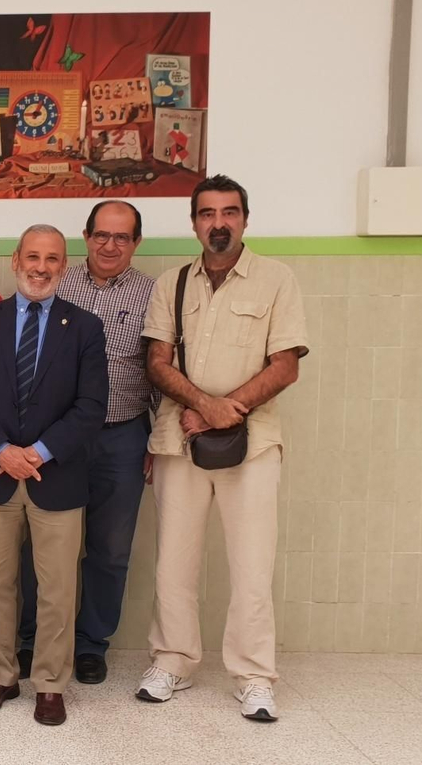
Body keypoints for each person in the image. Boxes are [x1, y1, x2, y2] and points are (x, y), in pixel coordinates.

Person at [137, 175, 308, 722]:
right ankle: (172, 661)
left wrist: (220, 408)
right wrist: (200, 407)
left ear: (245, 219)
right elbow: (157, 362)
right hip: (178, 441)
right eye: (207, 213)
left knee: (252, 565)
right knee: (174, 564)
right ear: (194, 223)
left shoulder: (277, 280)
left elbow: (286, 364)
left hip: (252, 445)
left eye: (229, 212)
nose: (218, 223)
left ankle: (254, 675)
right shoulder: (173, 283)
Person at [0, 225, 107, 726]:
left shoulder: (85, 327)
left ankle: (49, 684)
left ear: (65, 266)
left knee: (58, 588)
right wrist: (3, 450)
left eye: (53, 259)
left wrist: (37, 453)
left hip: (56, 477)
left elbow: (90, 407)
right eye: (33, 256)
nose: (41, 267)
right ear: (15, 258)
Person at [16, 200, 156, 684]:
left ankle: (91, 643)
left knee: (110, 549)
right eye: (101, 235)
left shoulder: (151, 294)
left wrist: (155, 441)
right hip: (55, 443)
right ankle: (32, 639)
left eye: (122, 237)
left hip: (121, 438)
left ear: (136, 242)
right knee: (42, 547)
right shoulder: (55, 282)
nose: (110, 245)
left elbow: (159, 367)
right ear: (86, 236)